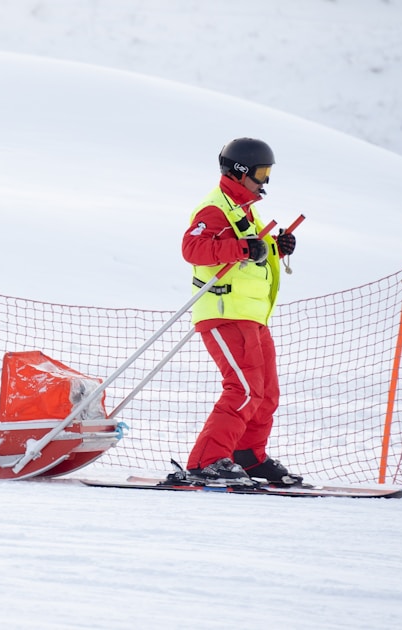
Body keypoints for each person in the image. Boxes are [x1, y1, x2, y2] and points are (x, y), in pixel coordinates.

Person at [165, 137, 302, 488]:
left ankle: (247, 456)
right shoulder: (215, 208)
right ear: (241, 171)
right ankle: (207, 461)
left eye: (268, 171)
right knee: (243, 389)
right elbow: (193, 248)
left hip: (253, 316)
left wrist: (275, 246)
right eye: (261, 172)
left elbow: (250, 253)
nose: (265, 180)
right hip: (225, 312)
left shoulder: (244, 208)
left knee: (266, 392)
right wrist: (245, 246)